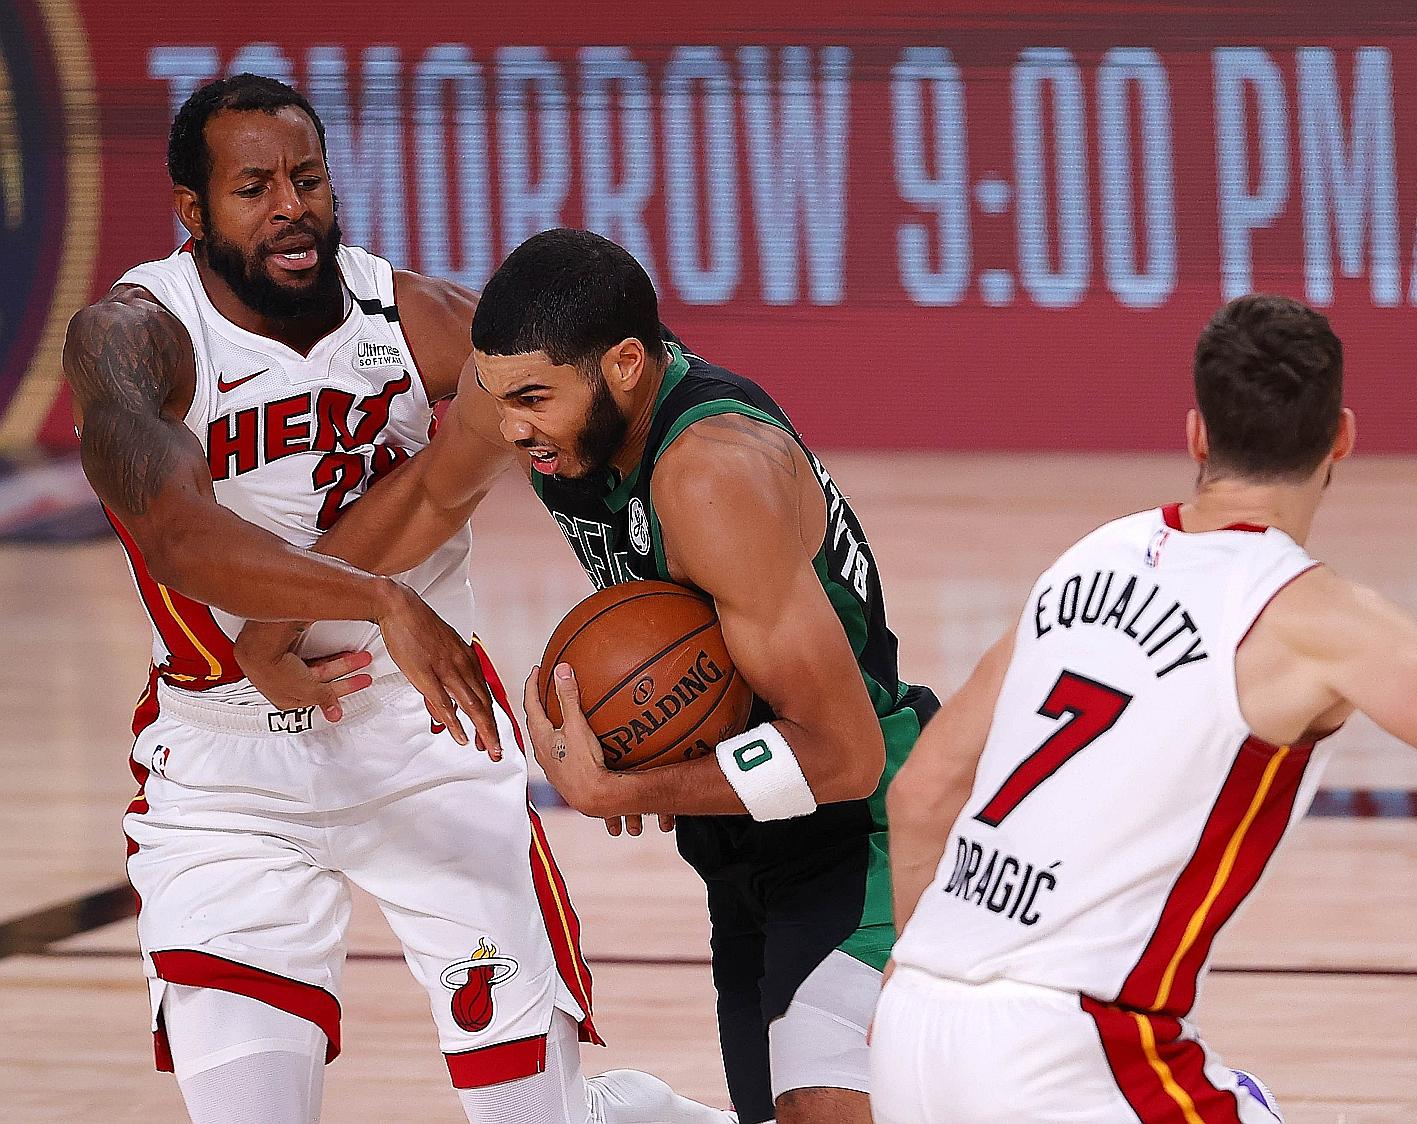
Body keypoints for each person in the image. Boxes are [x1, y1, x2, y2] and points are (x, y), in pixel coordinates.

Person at [66, 75, 729, 1124]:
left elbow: (516, 455)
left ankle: (616, 1111)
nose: (292, 205)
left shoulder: (423, 324)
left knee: (532, 1114)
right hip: (225, 766)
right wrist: (377, 597)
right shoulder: (137, 337)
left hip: (424, 729)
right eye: (254, 187)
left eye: (309, 177)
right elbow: (178, 535)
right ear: (192, 212)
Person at [236, 228, 940, 1124]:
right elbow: (428, 494)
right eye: (497, 399)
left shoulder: (710, 477)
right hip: (742, 839)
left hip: (862, 826)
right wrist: (285, 613)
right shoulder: (534, 407)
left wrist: (625, 785)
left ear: (626, 365)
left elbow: (845, 755)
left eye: (533, 399)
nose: (512, 425)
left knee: (825, 1109)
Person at [867, 294, 1417, 1124]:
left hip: (908, 1024)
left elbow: (922, 790)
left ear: (1196, 435)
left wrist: (919, 980)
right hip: (1067, 1049)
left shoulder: (1082, 559)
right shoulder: (1319, 620)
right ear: (1343, 438)